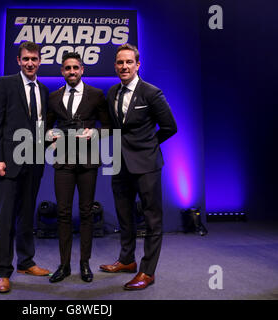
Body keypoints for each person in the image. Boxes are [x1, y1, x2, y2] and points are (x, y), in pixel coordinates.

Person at [100, 43, 177, 290]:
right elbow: (115, 127)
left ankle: (147, 271)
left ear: (137, 65)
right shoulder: (112, 92)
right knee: (124, 216)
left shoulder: (152, 93)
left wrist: (148, 145)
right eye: (120, 63)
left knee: (152, 219)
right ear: (115, 66)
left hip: (146, 165)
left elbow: (170, 127)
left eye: (129, 62)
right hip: (119, 164)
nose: (124, 66)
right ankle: (126, 261)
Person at [0, 41, 50, 293]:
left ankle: (26, 261)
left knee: (27, 215)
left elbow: (39, 127)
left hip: (34, 163)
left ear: (39, 61)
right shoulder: (4, 84)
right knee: (5, 219)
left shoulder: (43, 90)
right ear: (18, 60)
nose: (30, 63)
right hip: (9, 163)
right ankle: (2, 271)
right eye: (26, 59)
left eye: (34, 59)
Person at [46, 52, 111, 283]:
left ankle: (85, 263)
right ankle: (64, 265)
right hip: (62, 161)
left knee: (85, 213)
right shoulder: (53, 97)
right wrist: (49, 136)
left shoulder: (96, 95)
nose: (71, 72)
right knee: (63, 213)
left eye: (75, 67)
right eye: (67, 68)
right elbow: (44, 129)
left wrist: (95, 133)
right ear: (62, 71)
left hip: (87, 161)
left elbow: (108, 127)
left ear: (82, 69)